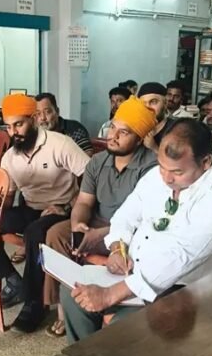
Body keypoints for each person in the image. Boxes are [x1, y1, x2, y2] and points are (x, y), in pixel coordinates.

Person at [62, 118, 212, 343]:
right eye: (162, 166)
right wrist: (118, 248)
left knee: (125, 325)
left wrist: (110, 294)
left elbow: (178, 259)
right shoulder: (157, 177)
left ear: (206, 162)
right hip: (136, 271)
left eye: (177, 171)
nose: (166, 178)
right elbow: (126, 214)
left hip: (187, 287)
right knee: (74, 294)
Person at [44, 97, 158, 337]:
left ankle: (104, 300)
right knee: (57, 234)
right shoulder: (98, 161)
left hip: (131, 234)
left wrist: (100, 235)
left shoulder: (152, 167)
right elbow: (84, 202)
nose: (113, 136)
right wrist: (78, 224)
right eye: (113, 127)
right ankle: (67, 306)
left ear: (139, 139)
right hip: (97, 222)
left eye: (123, 132)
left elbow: (145, 222)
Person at [0, 93, 90, 333]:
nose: (14, 132)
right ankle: (13, 280)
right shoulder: (9, 158)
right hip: (30, 207)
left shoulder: (60, 144)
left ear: (34, 119)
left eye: (19, 124)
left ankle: (35, 303)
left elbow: (91, 177)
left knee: (35, 232)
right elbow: (8, 198)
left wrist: (70, 207)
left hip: (62, 209)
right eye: (8, 127)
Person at [137, 82, 177, 146]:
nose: (148, 107)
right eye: (143, 103)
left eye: (153, 102)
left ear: (165, 104)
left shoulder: (176, 129)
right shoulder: (134, 128)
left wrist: (154, 147)